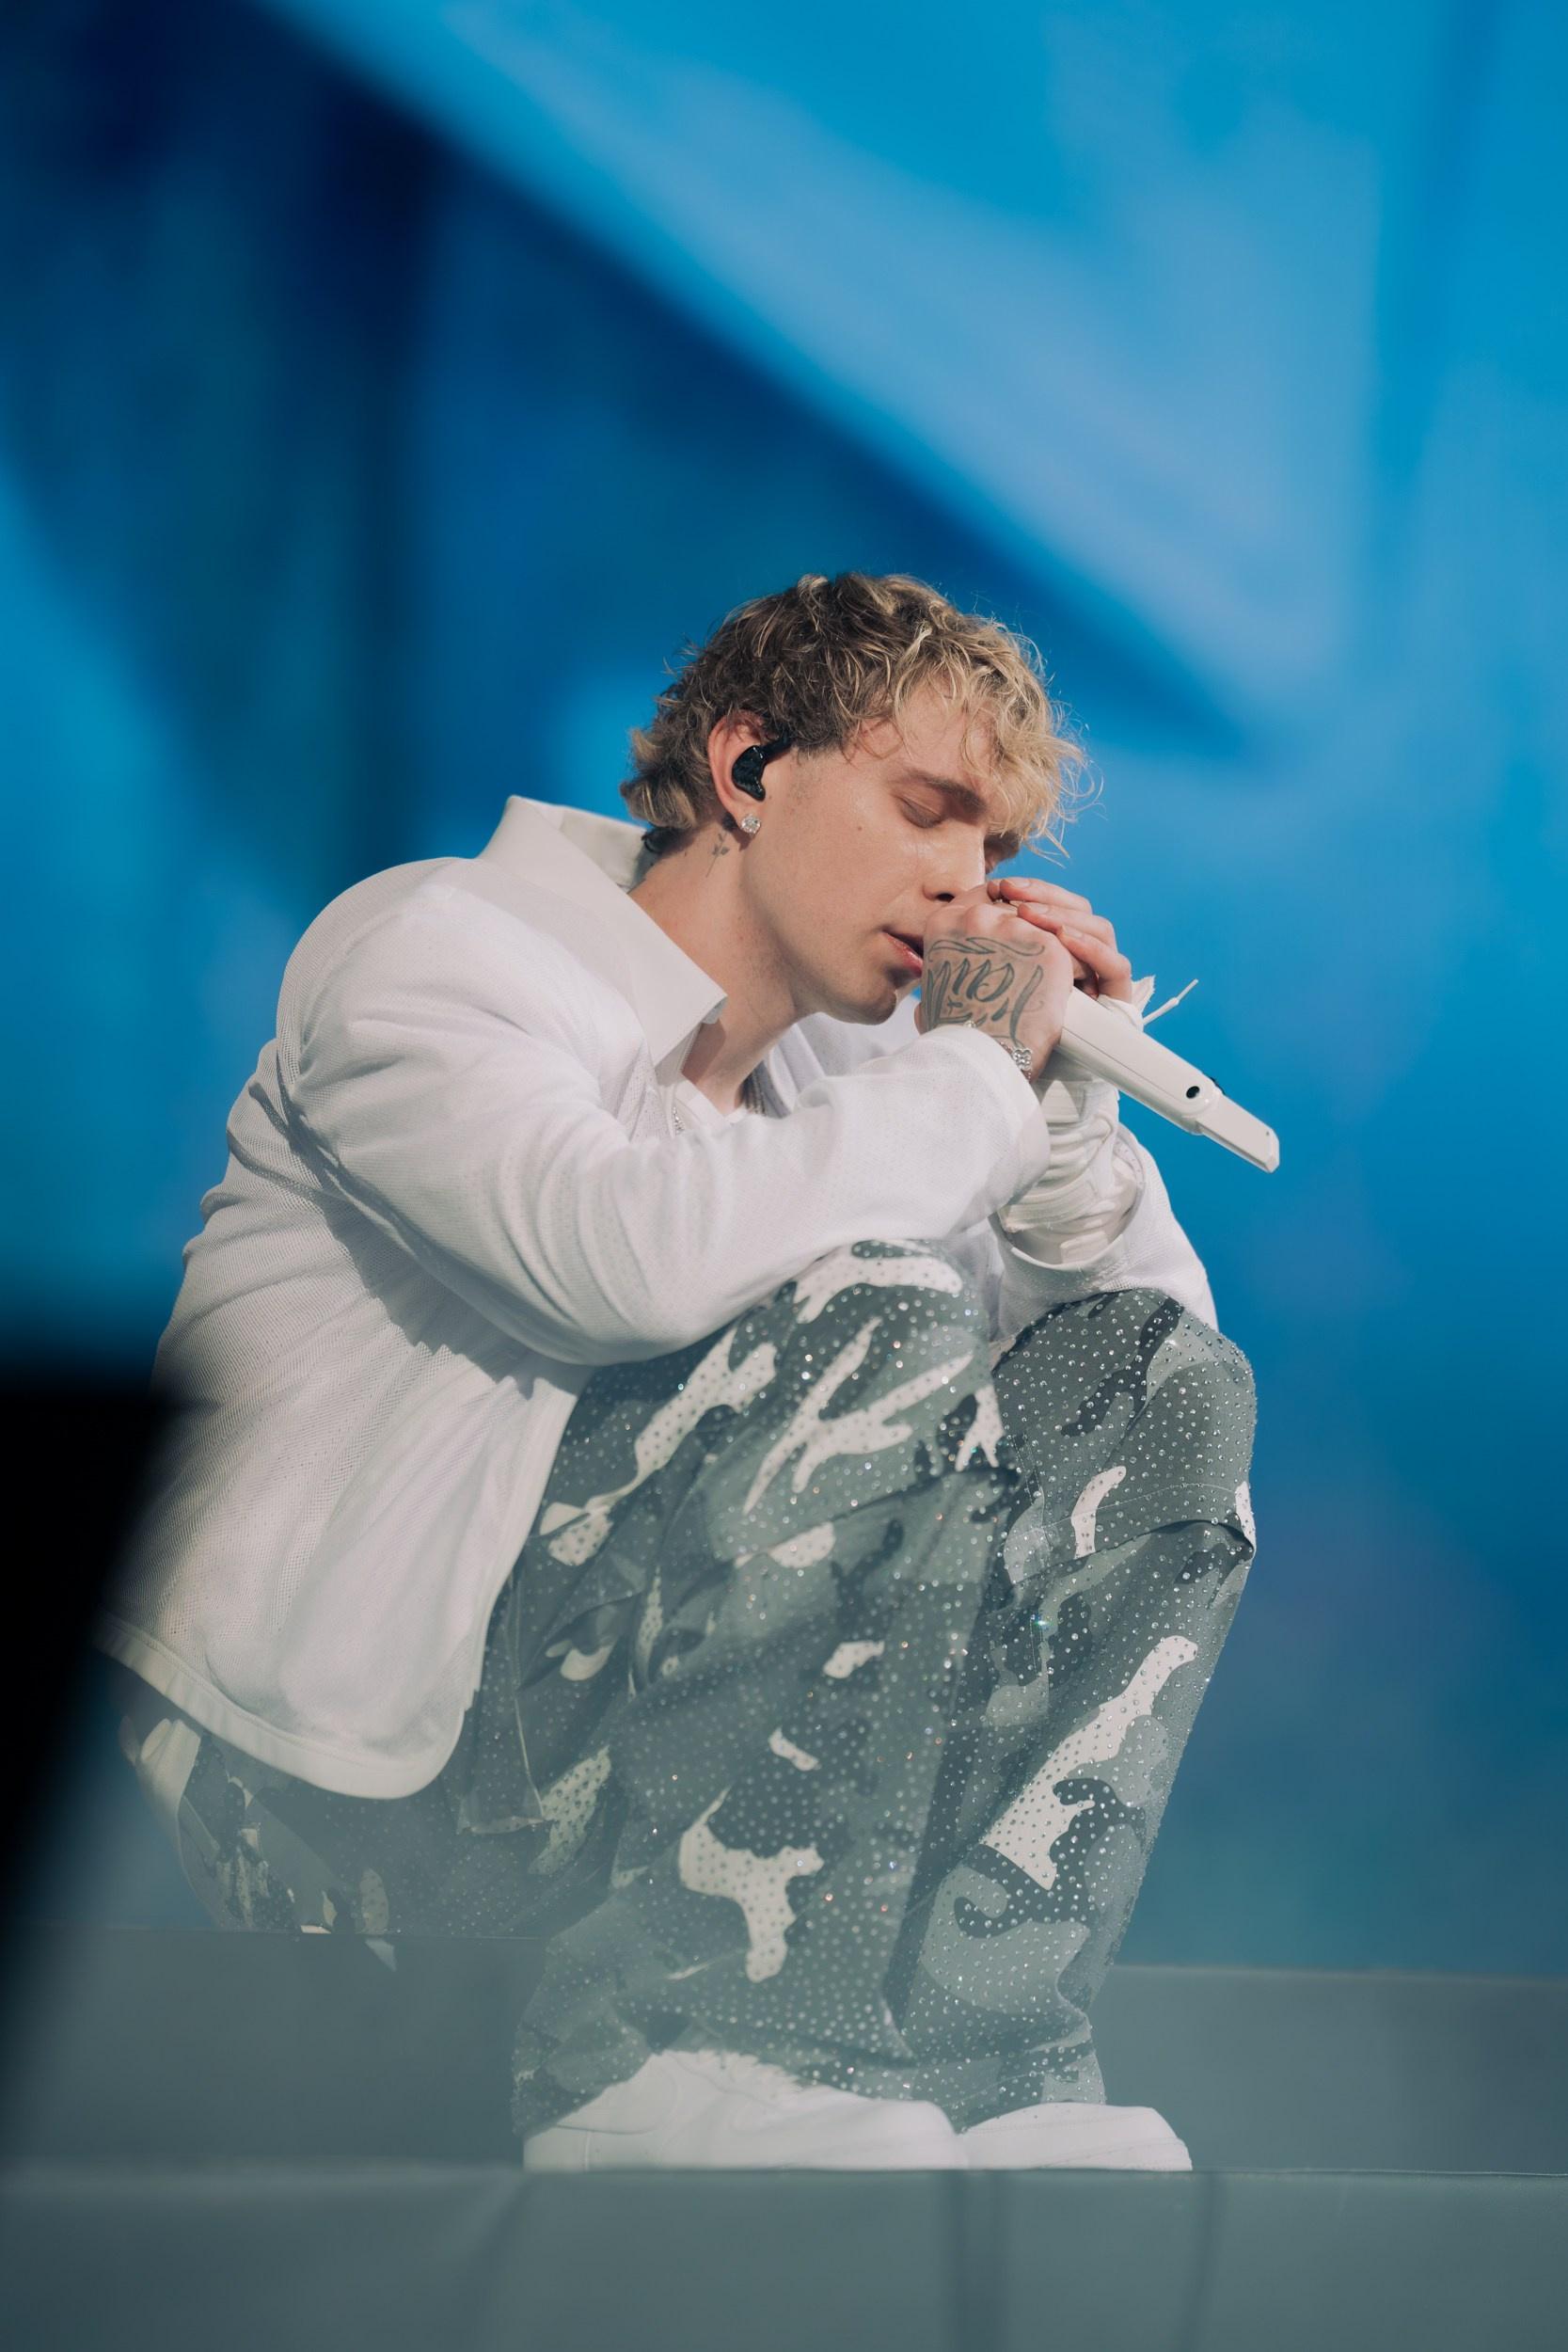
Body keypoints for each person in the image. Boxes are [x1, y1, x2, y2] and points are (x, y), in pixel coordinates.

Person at [107, 572, 1256, 2172]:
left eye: (993, 844)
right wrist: (976, 1071)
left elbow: (1128, 1391)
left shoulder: (863, 1077)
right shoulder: (437, 952)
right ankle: (680, 2047)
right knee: (879, 1307)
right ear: (748, 767)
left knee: (1164, 1389)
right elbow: (621, 1260)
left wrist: (1062, 1125)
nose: (966, 881)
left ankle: (977, 2050)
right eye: (927, 810)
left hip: (619, 1791)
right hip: (349, 1807)